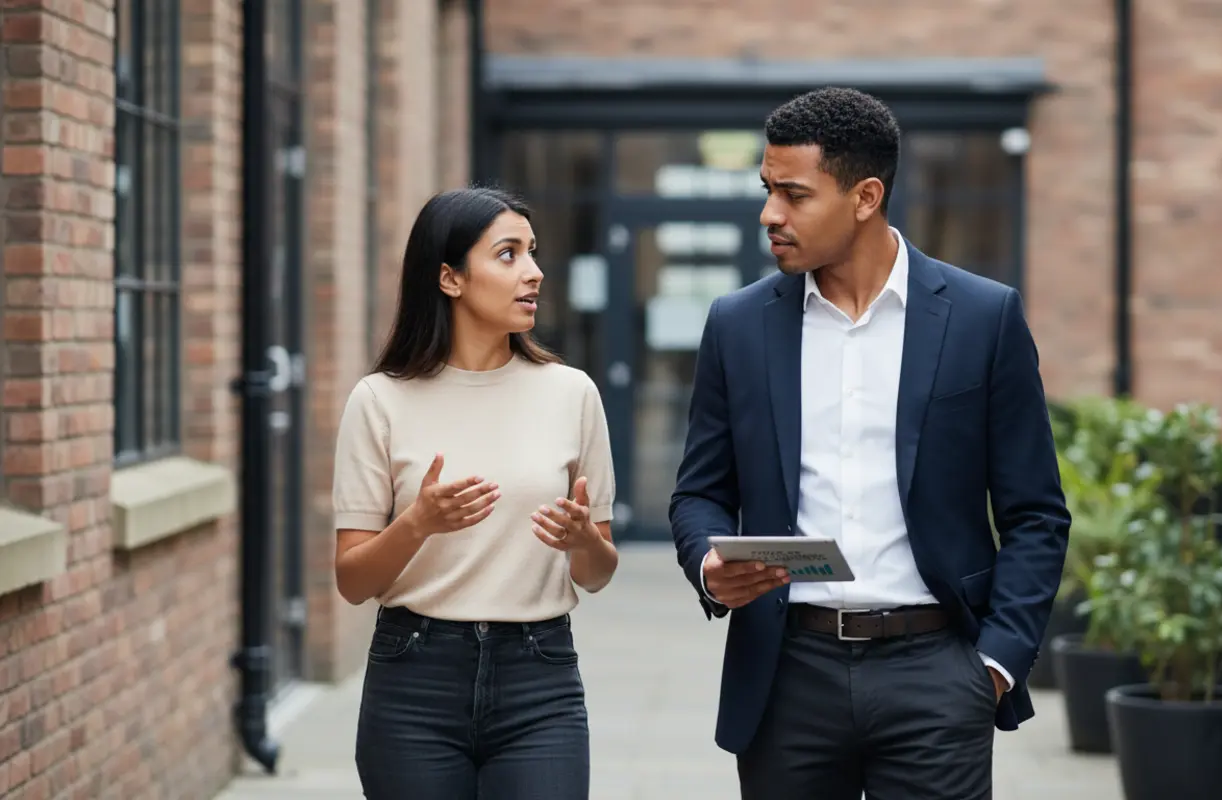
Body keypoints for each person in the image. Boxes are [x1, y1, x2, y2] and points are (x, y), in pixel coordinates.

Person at [669, 87, 1071, 799]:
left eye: (794, 195)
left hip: (938, 675)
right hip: (787, 676)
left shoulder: (983, 318)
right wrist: (708, 564)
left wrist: (995, 664)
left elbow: (1036, 512)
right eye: (767, 190)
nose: (770, 214)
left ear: (866, 197)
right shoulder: (738, 325)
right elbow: (700, 491)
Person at [332, 186, 618, 799]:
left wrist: (582, 541)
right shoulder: (379, 400)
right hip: (414, 680)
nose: (534, 272)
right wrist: (417, 523)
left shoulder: (572, 394)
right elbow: (353, 582)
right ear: (450, 278)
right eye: (508, 254)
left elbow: (597, 574)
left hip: (539, 678)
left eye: (533, 252)